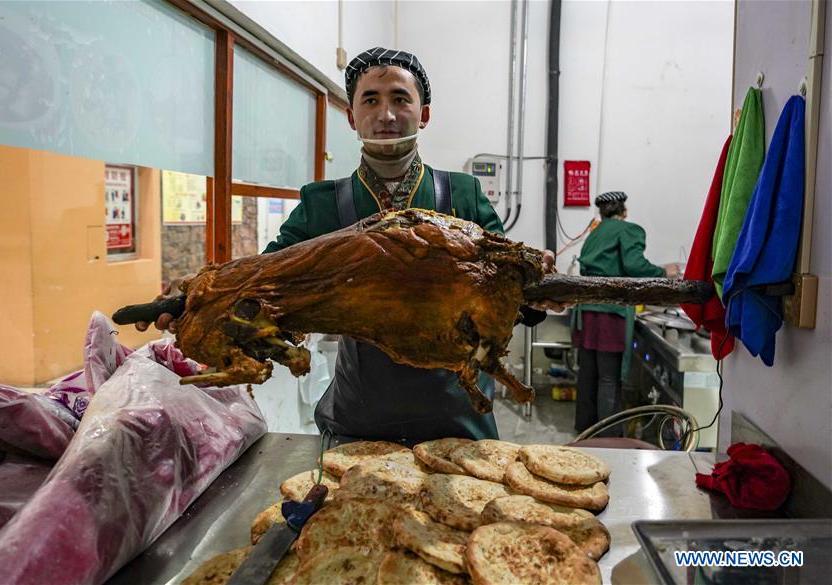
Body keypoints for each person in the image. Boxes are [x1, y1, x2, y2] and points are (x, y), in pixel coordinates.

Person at [139, 47, 561, 443]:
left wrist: (536, 289)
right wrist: (196, 298)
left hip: (459, 414)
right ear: (351, 115)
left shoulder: (462, 194)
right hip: (359, 415)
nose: (387, 114)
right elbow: (263, 280)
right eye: (371, 101)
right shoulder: (323, 204)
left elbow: (513, 293)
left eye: (400, 99)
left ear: (424, 113)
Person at [572, 191, 679, 436]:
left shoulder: (594, 234)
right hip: (610, 313)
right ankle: (608, 438)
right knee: (609, 377)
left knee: (588, 374)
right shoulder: (628, 230)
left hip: (586, 311)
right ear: (624, 212)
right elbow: (634, 265)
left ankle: (585, 430)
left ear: (601, 212)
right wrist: (665, 274)